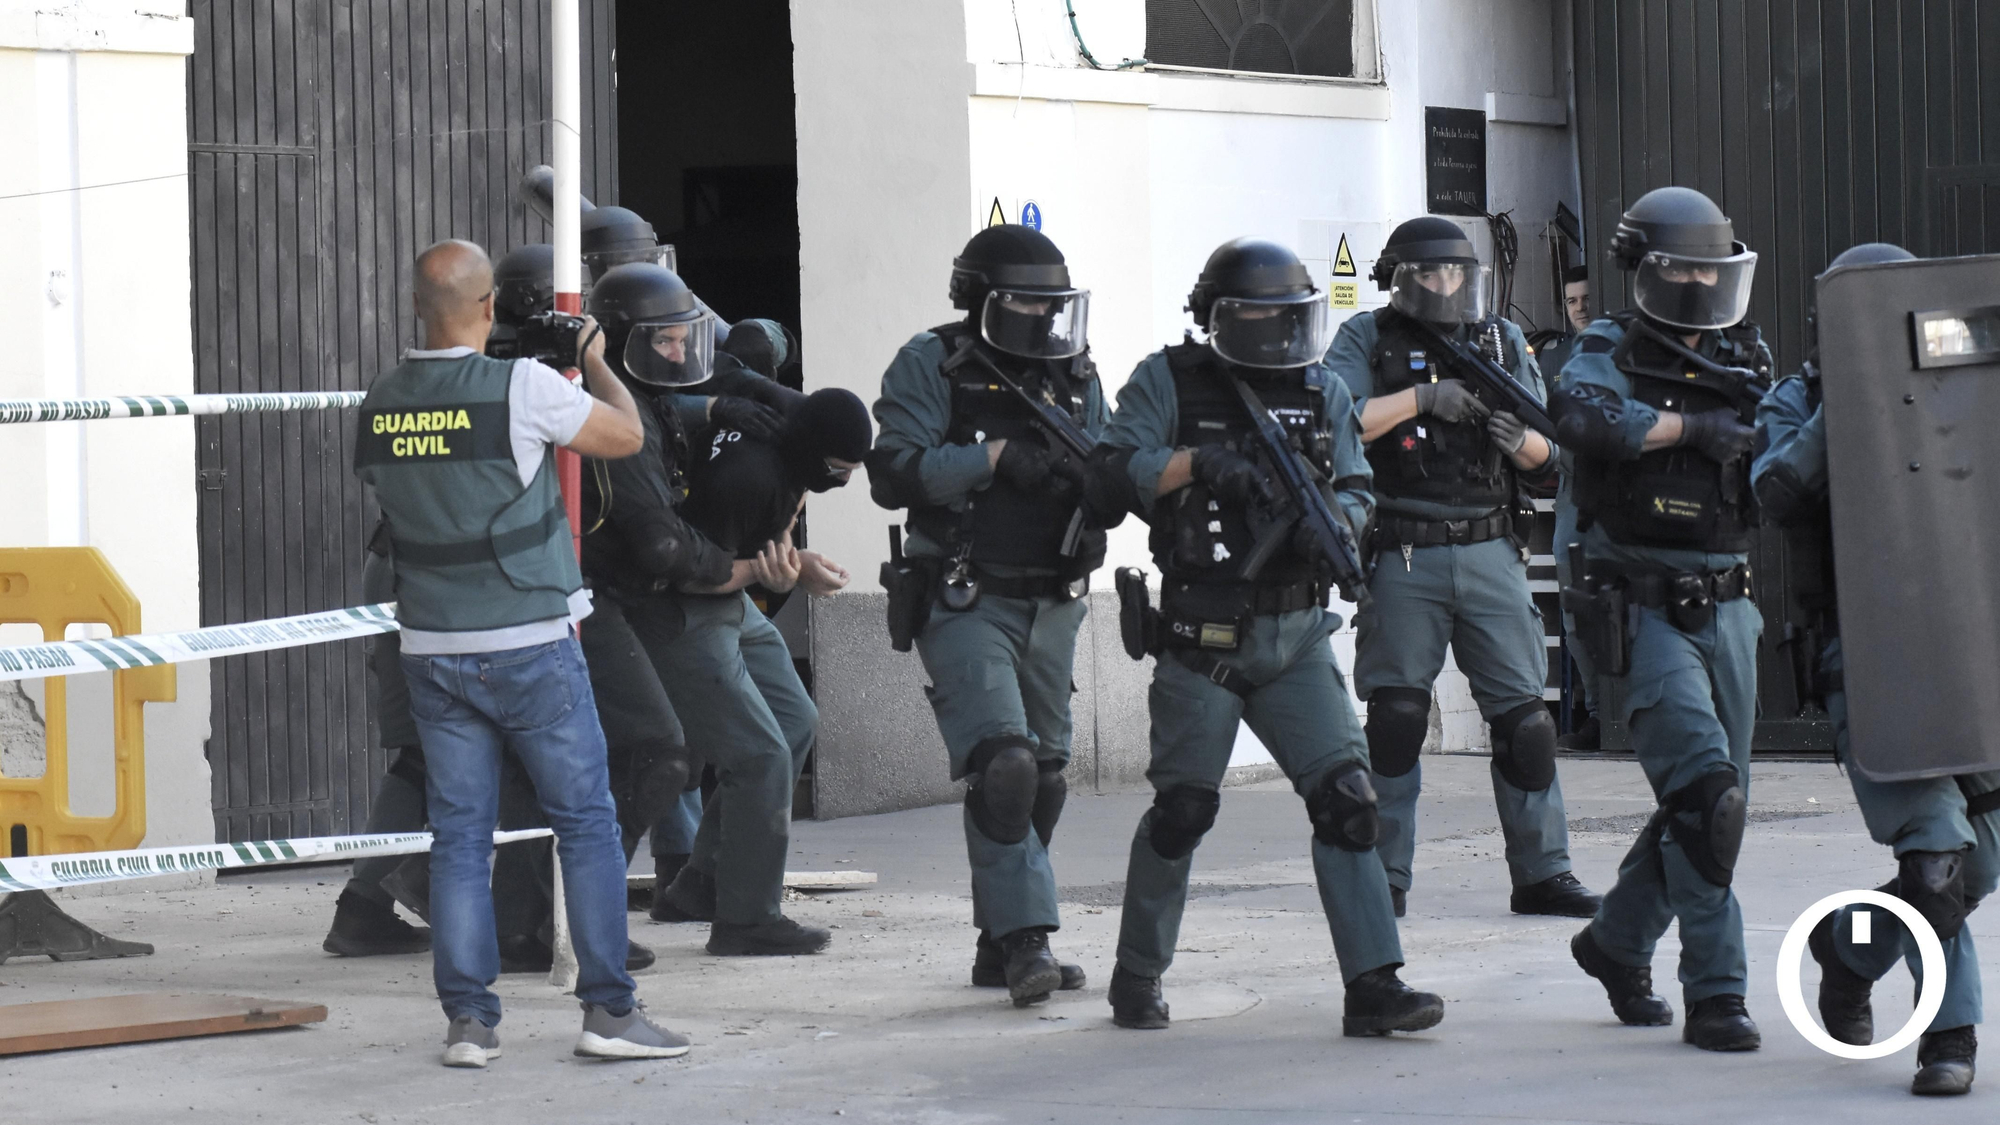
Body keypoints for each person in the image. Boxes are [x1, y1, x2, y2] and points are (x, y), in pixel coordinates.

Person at [1093, 237, 1443, 1035]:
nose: (1278, 334)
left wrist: (1337, 526)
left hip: (1295, 635)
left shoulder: (1321, 392)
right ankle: (1137, 973)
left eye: (1291, 318)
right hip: (1201, 636)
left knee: (1351, 803)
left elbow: (1358, 487)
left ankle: (1374, 985)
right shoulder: (1169, 379)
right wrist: (1199, 465)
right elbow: (1112, 473)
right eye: (1259, 317)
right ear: (1221, 316)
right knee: (1183, 810)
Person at [353, 239, 688, 1065]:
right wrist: (599, 362)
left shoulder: (381, 400)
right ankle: (609, 1011)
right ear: (488, 309)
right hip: (531, 641)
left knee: (461, 836)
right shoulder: (523, 387)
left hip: (431, 648)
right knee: (586, 823)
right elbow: (625, 437)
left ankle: (470, 1022)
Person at [1753, 241, 2000, 1096]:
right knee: (1935, 860)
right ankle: (1950, 1037)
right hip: (1872, 656)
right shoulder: (1796, 401)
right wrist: (1853, 393)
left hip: (1971, 650)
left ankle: (1847, 948)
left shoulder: (1963, 385)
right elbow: (1777, 489)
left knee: (1983, 860)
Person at [866, 225, 1117, 1006]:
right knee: (1003, 766)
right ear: (981, 301)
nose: (1044, 322)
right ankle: (1024, 940)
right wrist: (995, 460)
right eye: (1027, 306)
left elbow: (1109, 457)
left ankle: (995, 937)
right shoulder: (933, 361)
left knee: (1044, 776)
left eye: (1054, 307)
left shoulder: (1074, 373)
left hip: (1055, 597)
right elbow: (894, 472)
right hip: (966, 592)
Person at [1323, 217, 1598, 920]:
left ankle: (1543, 871)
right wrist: (1421, 399)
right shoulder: (1367, 338)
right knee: (1396, 719)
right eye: (1433, 275)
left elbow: (1552, 455)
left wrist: (1523, 446)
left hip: (1490, 547)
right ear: (1403, 278)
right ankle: (1384, 876)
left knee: (1526, 724)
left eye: (1457, 273)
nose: (1448, 286)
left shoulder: (1501, 340)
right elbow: (1335, 419)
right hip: (1404, 549)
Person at [1555, 187, 1771, 1052]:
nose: (1694, 283)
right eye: (1678, 266)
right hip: (1638, 604)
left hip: (1730, 605)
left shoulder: (1743, 350)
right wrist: (1690, 426)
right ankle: (1717, 992)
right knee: (1706, 799)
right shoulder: (1606, 346)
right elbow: (1579, 416)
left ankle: (1615, 941)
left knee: (1713, 801)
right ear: (1642, 268)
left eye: (1707, 268)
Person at [584, 261, 833, 957]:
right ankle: (746, 915)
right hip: (663, 598)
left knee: (792, 720)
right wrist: (752, 566)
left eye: (680, 340)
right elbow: (662, 546)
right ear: (622, 342)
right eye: (660, 342)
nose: (678, 355)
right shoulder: (617, 424)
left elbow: (712, 389)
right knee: (737, 754)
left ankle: (703, 878)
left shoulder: (667, 395)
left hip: (714, 590)